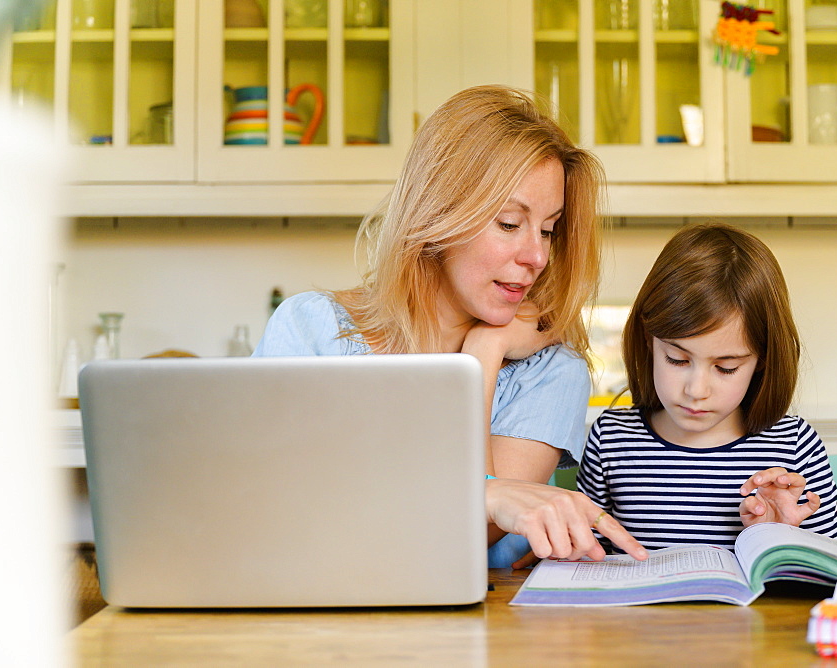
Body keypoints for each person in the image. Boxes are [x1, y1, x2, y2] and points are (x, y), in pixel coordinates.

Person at [254, 84, 646, 566]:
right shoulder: (310, 329)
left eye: (548, 229)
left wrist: (483, 352)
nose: (537, 256)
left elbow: (462, 542)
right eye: (508, 223)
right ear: (440, 211)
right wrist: (483, 493)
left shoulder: (551, 374)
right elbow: (273, 517)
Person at [577, 222, 837, 553]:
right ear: (649, 341)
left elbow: (834, 574)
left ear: (761, 359)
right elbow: (588, 557)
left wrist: (779, 536)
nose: (696, 390)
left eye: (725, 367)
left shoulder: (794, 445)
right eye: (677, 359)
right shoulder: (612, 439)